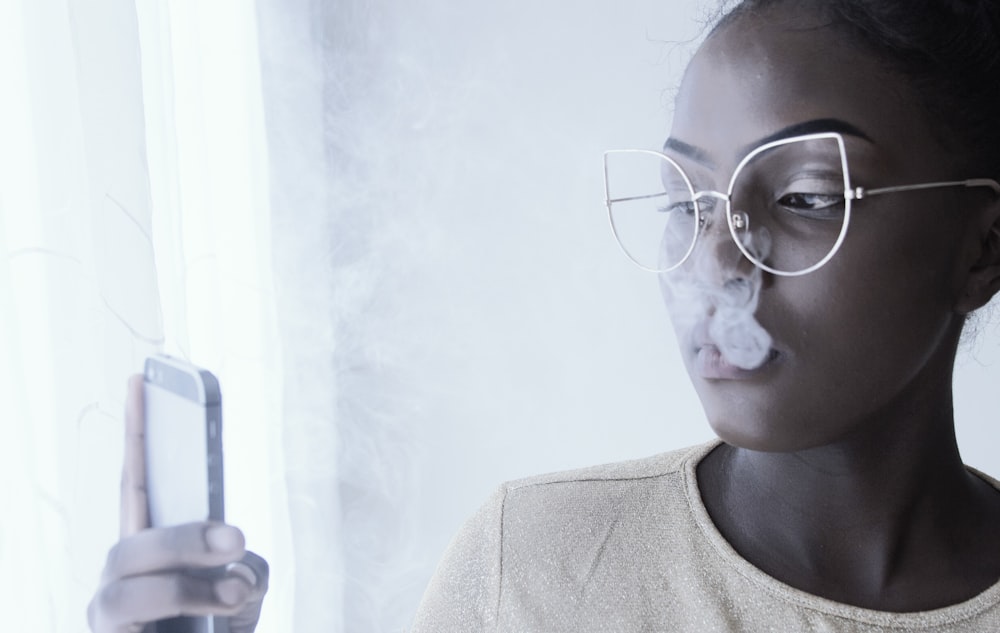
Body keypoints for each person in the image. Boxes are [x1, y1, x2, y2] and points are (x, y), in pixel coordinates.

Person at [89, 0, 1000, 630]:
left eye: (803, 199)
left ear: (980, 250)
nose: (717, 261)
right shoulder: (535, 568)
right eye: (686, 200)